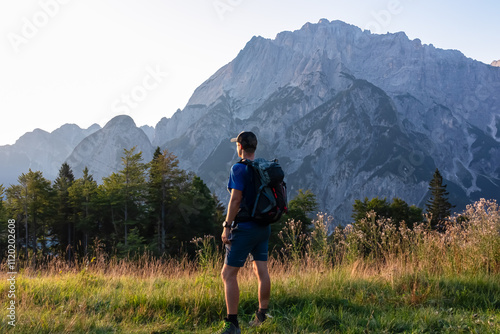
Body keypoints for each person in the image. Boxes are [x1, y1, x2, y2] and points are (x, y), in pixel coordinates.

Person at [215, 131, 271, 334]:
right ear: (254, 147)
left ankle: (232, 324)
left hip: (245, 228)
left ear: (239, 146)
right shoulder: (263, 167)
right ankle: (262, 316)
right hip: (264, 226)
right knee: (261, 270)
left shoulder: (238, 168)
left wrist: (227, 226)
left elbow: (235, 200)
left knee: (228, 273)